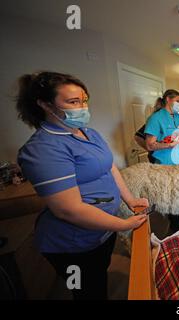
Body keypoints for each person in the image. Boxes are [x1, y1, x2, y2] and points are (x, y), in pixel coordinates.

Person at [16, 71, 148, 300]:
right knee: (86, 291)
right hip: (72, 245)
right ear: (46, 105)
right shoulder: (43, 148)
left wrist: (130, 199)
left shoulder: (90, 133)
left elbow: (110, 167)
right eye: (73, 101)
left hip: (102, 233)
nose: (83, 106)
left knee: (98, 273)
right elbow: (68, 209)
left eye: (84, 100)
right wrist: (123, 224)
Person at [141, 89, 179, 165]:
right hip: (164, 163)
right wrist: (169, 145)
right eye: (177, 101)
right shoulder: (155, 118)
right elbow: (149, 145)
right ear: (168, 99)